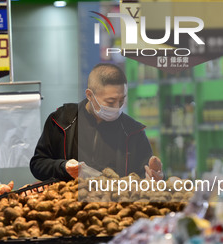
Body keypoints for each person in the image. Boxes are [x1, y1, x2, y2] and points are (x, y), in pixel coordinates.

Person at [30, 63, 164, 181]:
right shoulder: (62, 120)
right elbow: (38, 164)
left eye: (122, 100)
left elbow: (146, 176)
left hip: (116, 207)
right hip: (67, 204)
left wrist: (155, 178)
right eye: (111, 102)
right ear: (89, 95)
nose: (117, 107)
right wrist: (63, 167)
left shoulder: (134, 132)